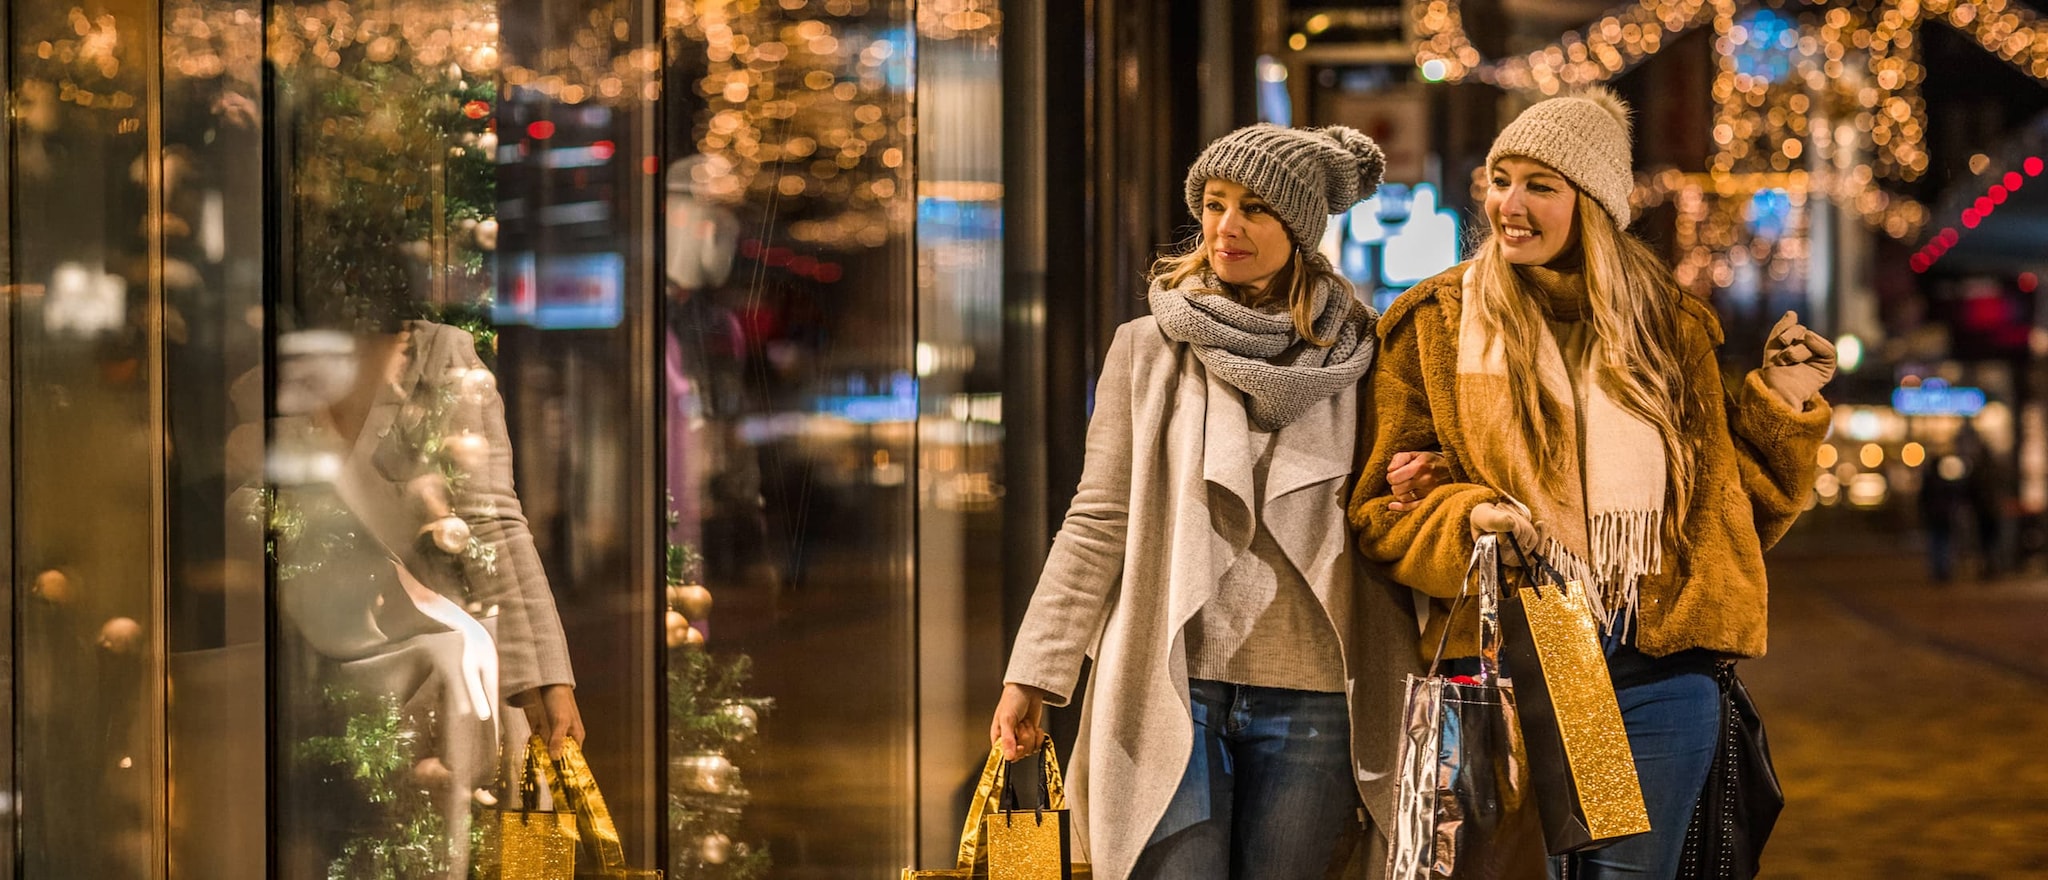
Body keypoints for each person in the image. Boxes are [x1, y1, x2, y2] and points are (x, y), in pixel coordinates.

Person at [1349, 88, 1834, 880]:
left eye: (1540, 186)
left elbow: (1727, 518)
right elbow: (1379, 511)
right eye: (1501, 180)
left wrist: (1782, 405)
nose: (1510, 205)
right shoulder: (1440, 323)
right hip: (1545, 651)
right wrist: (1468, 515)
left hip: (1660, 658)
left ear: (1594, 205)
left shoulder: (1665, 329)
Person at [990, 123, 1437, 880]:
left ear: (1299, 228)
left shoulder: (1365, 352)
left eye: (1255, 209)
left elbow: (1383, 507)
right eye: (1215, 203)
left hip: (1319, 692)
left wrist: (1418, 482)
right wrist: (1033, 671)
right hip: (1172, 679)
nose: (1227, 226)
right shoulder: (1148, 347)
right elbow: (1098, 518)